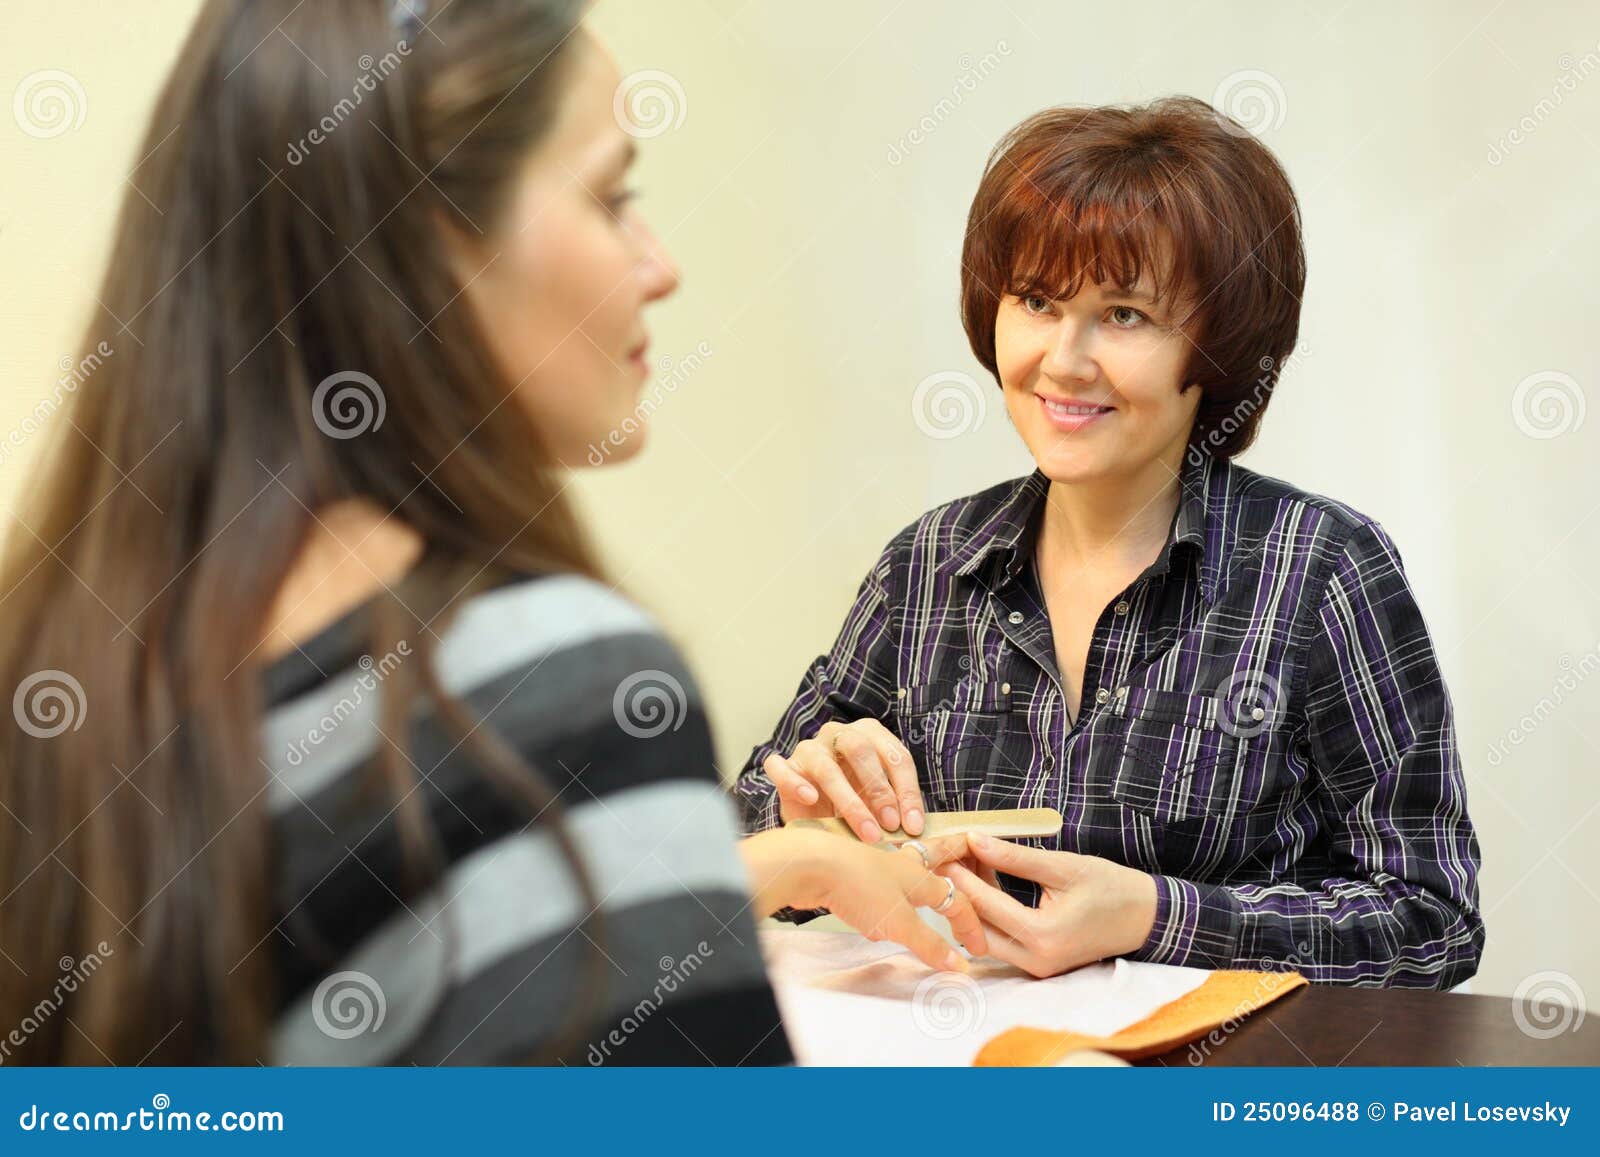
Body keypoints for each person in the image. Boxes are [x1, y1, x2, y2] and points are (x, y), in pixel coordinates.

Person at [0, 0, 984, 1067]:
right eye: (613, 196)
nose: (660, 266)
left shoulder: (70, 658)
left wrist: (796, 862)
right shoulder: (548, 677)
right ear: (422, 244)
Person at [735, 99, 1484, 988]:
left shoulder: (1322, 570)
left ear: (1216, 344)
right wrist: (796, 816)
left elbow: (1431, 920)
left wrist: (1156, 915)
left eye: (1124, 314)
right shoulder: (928, 567)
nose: (1064, 358)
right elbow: (736, 844)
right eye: (1037, 301)